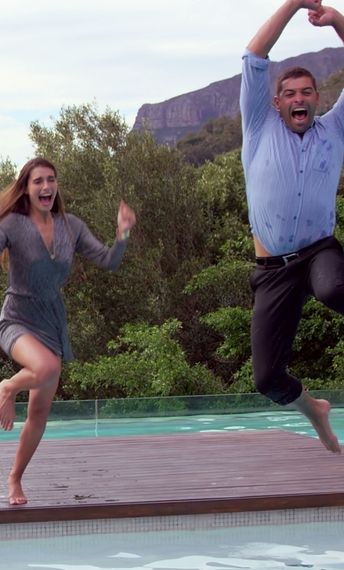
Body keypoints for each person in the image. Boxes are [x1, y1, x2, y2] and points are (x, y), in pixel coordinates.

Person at [0, 157, 136, 504]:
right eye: (37, 182)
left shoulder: (71, 226)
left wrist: (122, 234)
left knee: (39, 413)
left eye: (51, 180)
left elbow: (108, 261)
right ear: (27, 189)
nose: (45, 187)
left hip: (51, 323)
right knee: (45, 369)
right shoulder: (13, 225)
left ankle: (15, 479)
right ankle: (8, 385)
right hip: (16, 318)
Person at [239, 0, 344, 454]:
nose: (299, 99)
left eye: (307, 92)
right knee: (266, 378)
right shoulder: (260, 127)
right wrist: (296, 3)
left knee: (334, 289)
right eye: (291, 94)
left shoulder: (334, 129)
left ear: (317, 99)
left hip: (319, 250)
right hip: (274, 268)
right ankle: (314, 411)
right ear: (277, 102)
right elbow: (253, 56)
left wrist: (338, 20)